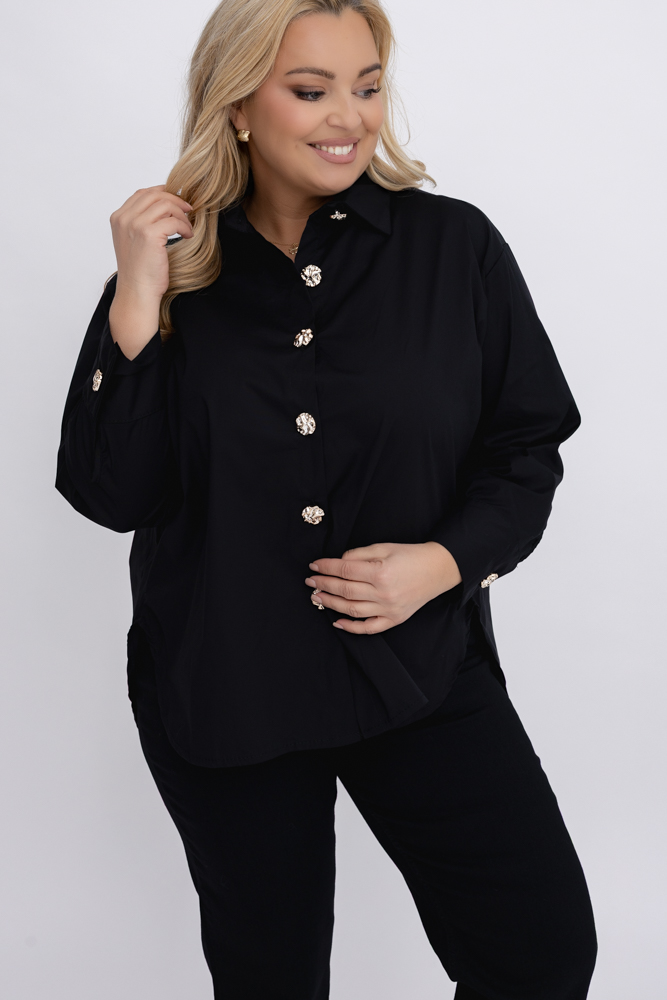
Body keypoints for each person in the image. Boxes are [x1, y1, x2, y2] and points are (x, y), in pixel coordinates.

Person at [56, 1, 597, 997]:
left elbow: (526, 447)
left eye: (367, 85)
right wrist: (136, 298)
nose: (349, 116)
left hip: (418, 671)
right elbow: (110, 491)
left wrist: (441, 563)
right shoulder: (175, 267)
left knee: (541, 951)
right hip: (225, 682)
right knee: (271, 979)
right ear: (237, 107)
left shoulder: (453, 248)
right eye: (310, 90)